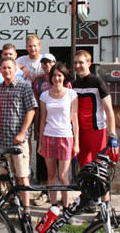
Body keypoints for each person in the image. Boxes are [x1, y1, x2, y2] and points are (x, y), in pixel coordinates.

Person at [0, 57, 37, 222]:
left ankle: (26, 209)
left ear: (15, 69)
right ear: (1, 70)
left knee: (22, 175)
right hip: (2, 138)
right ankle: (13, 201)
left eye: (9, 67)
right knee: (6, 175)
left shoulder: (24, 87)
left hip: (18, 140)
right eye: (3, 68)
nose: (6, 70)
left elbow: (31, 110)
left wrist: (22, 133)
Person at [72, 49, 119, 212]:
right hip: (80, 133)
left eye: (81, 62)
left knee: (100, 170)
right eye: (75, 63)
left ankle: (105, 208)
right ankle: (89, 200)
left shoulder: (98, 82)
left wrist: (113, 135)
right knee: (84, 168)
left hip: (97, 131)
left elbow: (109, 110)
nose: (77, 66)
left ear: (89, 63)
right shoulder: (74, 84)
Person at [38, 62, 79, 210]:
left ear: (64, 77)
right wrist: (41, 143)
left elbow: (74, 119)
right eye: (54, 75)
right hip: (49, 136)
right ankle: (54, 205)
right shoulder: (44, 95)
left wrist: (76, 143)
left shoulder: (71, 94)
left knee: (63, 176)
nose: (56, 78)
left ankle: (66, 206)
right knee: (51, 174)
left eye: (59, 75)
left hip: (66, 137)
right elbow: (42, 119)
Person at [32, 53, 70, 206]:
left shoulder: (67, 86)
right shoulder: (38, 83)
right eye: (44, 63)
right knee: (45, 168)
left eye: (50, 62)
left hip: (63, 133)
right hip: (45, 129)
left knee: (63, 173)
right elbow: (36, 109)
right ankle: (45, 194)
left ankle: (65, 204)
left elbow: (71, 111)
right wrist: (36, 130)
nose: (47, 65)